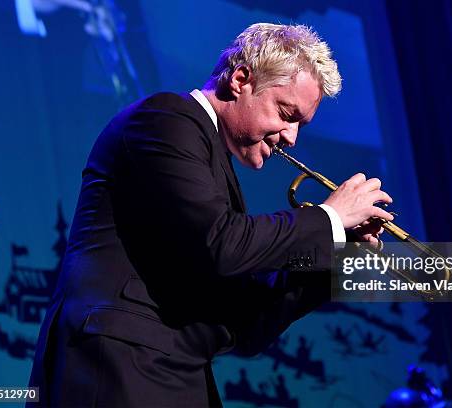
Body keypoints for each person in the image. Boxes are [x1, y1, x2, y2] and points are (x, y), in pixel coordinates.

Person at [28, 23, 393, 407]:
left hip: (174, 376)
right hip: (119, 368)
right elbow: (221, 244)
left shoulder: (215, 166)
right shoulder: (164, 119)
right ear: (240, 79)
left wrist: (336, 253)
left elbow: (247, 327)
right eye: (287, 113)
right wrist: (328, 218)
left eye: (300, 125)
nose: (291, 137)